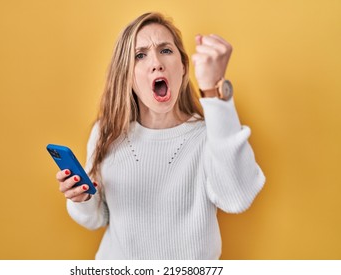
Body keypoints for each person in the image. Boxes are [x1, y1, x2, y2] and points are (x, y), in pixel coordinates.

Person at [55, 12, 265, 260]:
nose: (156, 62)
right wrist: (82, 198)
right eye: (140, 55)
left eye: (166, 50)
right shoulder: (106, 132)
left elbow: (236, 198)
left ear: (184, 67)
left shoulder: (211, 135)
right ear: (128, 76)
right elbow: (96, 218)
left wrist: (214, 90)